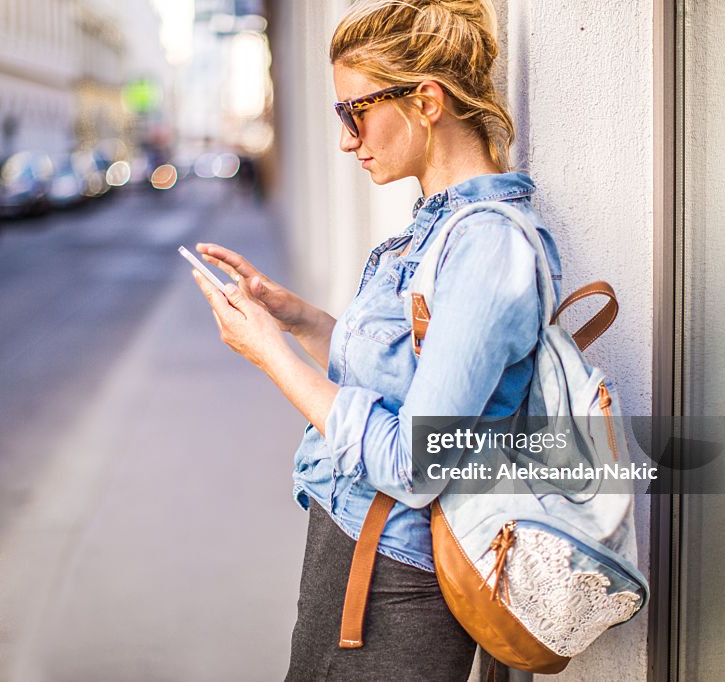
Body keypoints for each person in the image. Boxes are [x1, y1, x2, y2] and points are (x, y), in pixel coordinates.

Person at [188, 1, 562, 679]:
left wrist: (269, 353)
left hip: (394, 578)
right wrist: (295, 318)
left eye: (353, 112)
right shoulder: (438, 230)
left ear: (426, 101)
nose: (346, 139)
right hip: (358, 548)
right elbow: (412, 373)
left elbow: (414, 460)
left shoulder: (487, 247)